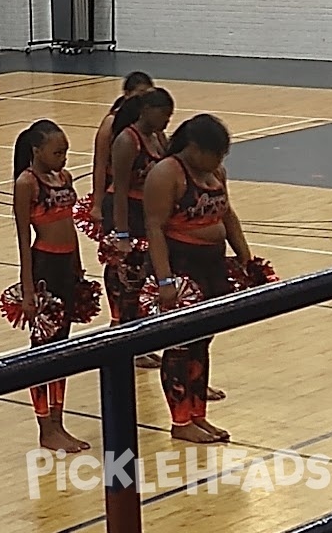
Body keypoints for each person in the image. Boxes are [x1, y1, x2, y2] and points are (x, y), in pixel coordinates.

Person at [143, 114, 251, 444]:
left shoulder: (215, 172)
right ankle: (180, 422)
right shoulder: (166, 174)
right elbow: (155, 228)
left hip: (212, 265)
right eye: (215, 153)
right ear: (194, 148)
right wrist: (165, 282)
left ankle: (198, 414)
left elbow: (227, 214)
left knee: (202, 340)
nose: (219, 161)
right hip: (180, 264)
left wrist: (245, 254)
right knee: (178, 347)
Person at [13, 120, 90, 453]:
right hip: (44, 265)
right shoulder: (26, 183)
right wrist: (28, 289)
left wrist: (78, 263)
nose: (64, 159)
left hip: (67, 266)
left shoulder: (65, 179)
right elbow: (22, 237)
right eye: (58, 152)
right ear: (37, 151)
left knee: (63, 347)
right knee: (44, 349)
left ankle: (58, 421)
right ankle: (45, 426)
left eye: (66, 152)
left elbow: (70, 225)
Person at [105, 88, 174, 368]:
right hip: (129, 213)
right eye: (164, 114)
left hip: (148, 213)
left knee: (144, 279)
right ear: (146, 110)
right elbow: (119, 190)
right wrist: (121, 234)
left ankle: (140, 340)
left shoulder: (158, 138)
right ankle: (126, 341)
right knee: (128, 279)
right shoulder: (127, 140)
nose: (167, 121)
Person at [88, 71, 155, 226]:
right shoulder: (111, 122)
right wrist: (97, 204)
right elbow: (100, 164)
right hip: (116, 185)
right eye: (141, 94)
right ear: (127, 94)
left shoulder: (151, 123)